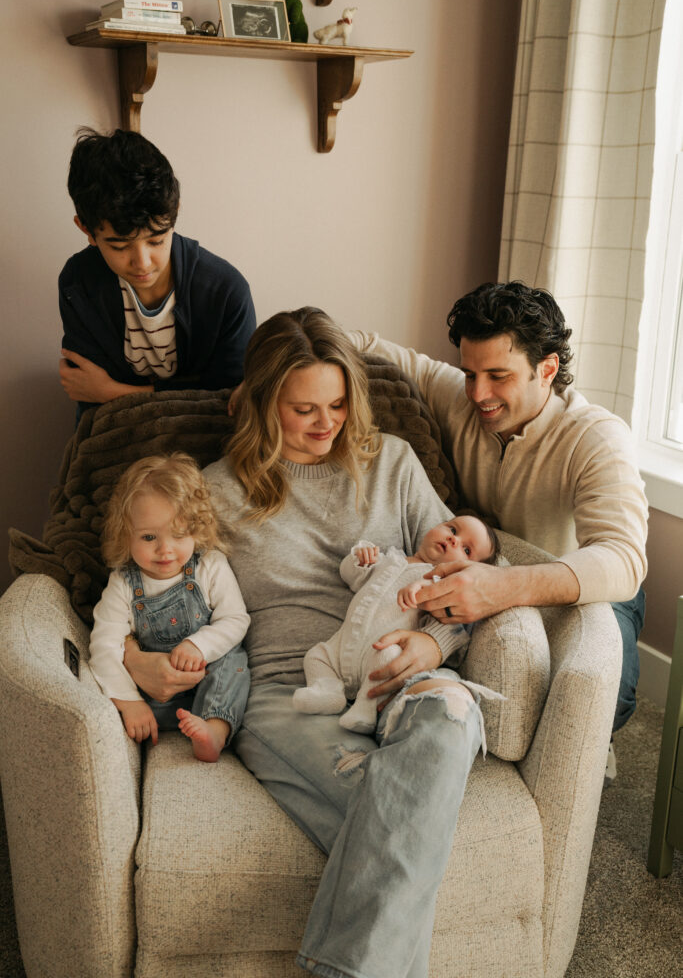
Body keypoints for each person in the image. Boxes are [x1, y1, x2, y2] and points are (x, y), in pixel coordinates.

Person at [121, 306, 487, 978]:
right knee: (401, 812)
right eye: (304, 409)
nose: (327, 424)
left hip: (400, 668)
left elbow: (466, 573)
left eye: (338, 405)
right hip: (289, 690)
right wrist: (130, 656)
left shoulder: (393, 463)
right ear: (263, 404)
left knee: (451, 718)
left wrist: (434, 648)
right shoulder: (215, 491)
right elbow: (139, 581)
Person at [348, 280, 648, 771]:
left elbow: (624, 559)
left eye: (497, 376)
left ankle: (596, 747)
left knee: (603, 699)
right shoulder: (458, 396)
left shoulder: (597, 436)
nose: (478, 393)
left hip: (583, 584)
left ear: (547, 369)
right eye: (470, 373)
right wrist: (264, 383)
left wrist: (504, 587)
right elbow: (362, 344)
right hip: (486, 568)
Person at [58, 128, 256, 416]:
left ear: (174, 215)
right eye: (120, 246)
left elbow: (232, 397)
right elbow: (87, 395)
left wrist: (112, 391)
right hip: (114, 431)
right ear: (86, 229)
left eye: (156, 240)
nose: (142, 263)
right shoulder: (78, 283)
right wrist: (189, 388)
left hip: (207, 434)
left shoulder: (225, 291)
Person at [90, 452, 250, 762]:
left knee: (233, 661)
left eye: (178, 534)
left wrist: (198, 645)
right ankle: (171, 718)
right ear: (125, 534)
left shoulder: (210, 565)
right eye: (149, 537)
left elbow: (235, 619)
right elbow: (104, 646)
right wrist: (129, 702)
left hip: (209, 685)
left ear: (197, 529)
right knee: (115, 664)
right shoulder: (123, 583)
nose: (165, 550)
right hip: (155, 701)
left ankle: (214, 732)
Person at [293, 511, 500, 735]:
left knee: (389, 655)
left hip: (380, 653)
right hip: (342, 646)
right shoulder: (390, 559)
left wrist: (426, 587)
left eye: (466, 550)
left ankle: (365, 708)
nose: (453, 539)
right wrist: (360, 560)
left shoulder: (440, 585)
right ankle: (327, 692)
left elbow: (451, 625)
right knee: (316, 655)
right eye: (452, 529)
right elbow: (350, 576)